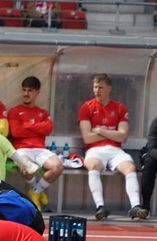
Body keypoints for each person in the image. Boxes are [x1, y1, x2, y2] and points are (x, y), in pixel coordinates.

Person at [78, 73, 146, 219]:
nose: (97, 91)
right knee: (93, 166)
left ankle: (135, 206)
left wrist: (100, 131)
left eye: (101, 87)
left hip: (116, 150)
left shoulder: (120, 108)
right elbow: (87, 138)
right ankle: (100, 207)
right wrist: (113, 133)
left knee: (130, 167)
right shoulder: (87, 107)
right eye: (95, 87)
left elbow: (123, 137)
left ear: (109, 88)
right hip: (95, 149)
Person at [8, 76, 62, 212]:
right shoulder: (14, 111)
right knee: (26, 167)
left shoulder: (43, 113)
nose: (26, 93)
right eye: (24, 90)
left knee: (57, 167)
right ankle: (36, 191)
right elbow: (16, 132)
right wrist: (38, 128)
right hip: (22, 148)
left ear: (37, 92)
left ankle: (35, 191)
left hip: (40, 149)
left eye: (30, 91)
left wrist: (27, 126)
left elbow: (48, 128)